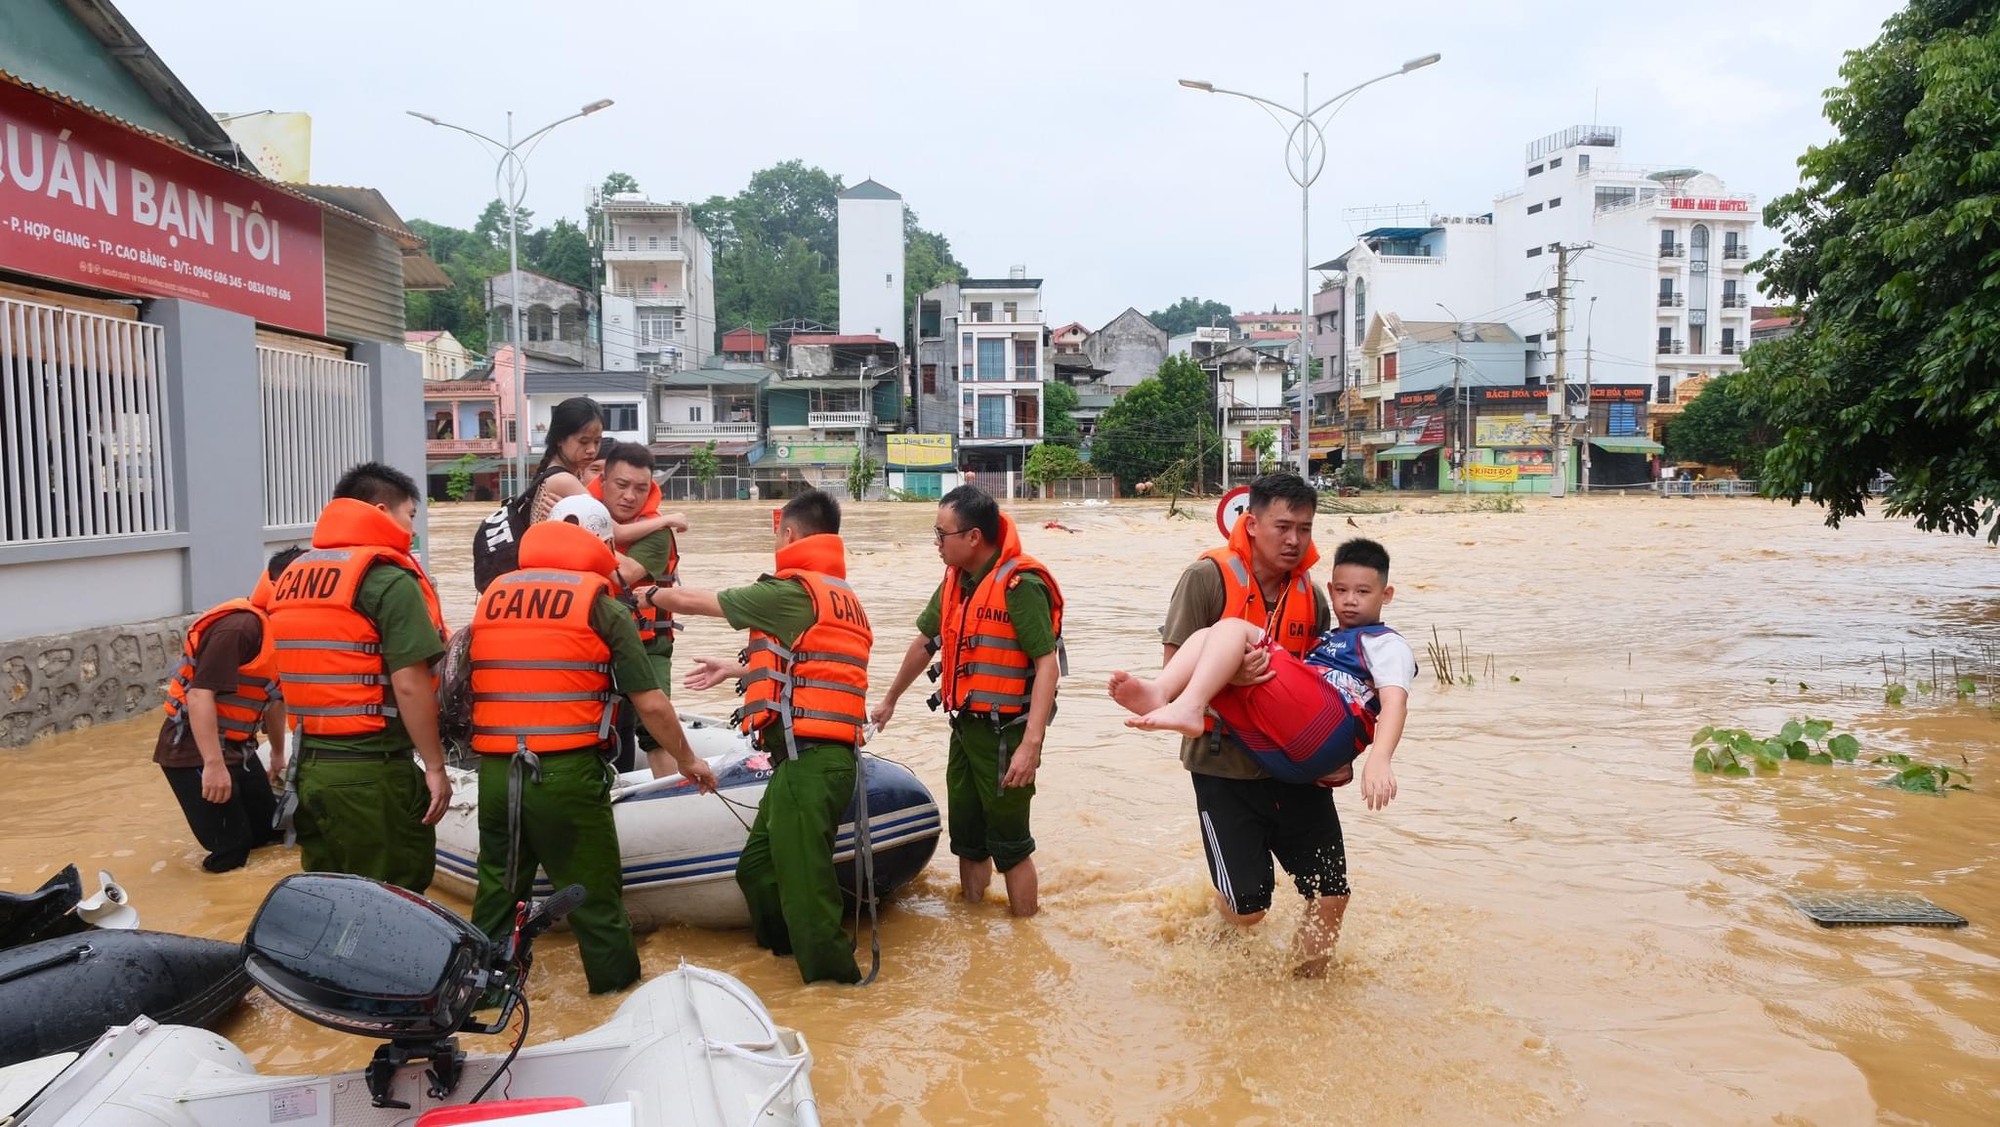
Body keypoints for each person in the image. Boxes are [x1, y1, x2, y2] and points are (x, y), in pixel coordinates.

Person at [467, 498, 717, 994]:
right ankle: (615, 1002)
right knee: (595, 903)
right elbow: (651, 705)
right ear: (603, 545)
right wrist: (689, 762)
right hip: (565, 777)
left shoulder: (493, 595)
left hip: (497, 775)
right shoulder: (601, 606)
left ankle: (479, 998)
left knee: (496, 896)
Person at [645, 488, 869, 985]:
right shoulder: (837, 595)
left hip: (810, 762)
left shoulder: (792, 591)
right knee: (758, 869)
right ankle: (785, 961)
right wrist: (734, 670)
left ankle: (837, 991)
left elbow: (693, 600)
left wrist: (644, 593)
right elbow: (805, 669)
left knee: (806, 892)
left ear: (789, 534)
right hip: (810, 761)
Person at [1156, 472, 1356, 975]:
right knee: (1250, 911)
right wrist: (1234, 679)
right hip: (1225, 767)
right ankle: (1219, 934)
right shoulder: (1206, 578)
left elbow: (1326, 685)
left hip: (1295, 768)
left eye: (1305, 529)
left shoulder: (1312, 598)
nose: (1294, 540)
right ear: (1251, 523)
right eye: (1283, 526)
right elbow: (1171, 677)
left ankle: (1306, 994)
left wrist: (1343, 756)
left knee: (1331, 893)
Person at [869, 485, 1063, 917]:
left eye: (942, 534)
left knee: (1011, 845)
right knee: (968, 840)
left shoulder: (1020, 585)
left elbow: (1046, 664)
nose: (937, 543)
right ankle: (974, 928)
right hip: (965, 728)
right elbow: (926, 642)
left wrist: (1030, 746)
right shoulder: (957, 582)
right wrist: (890, 700)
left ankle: (1024, 937)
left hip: (1006, 736)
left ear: (973, 537)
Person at [1111, 538, 1412, 813]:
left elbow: (1394, 704)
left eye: (1363, 592)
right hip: (1291, 758)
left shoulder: (1386, 644)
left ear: (1386, 595)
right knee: (1210, 639)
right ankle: (1161, 693)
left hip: (1329, 729)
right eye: (1343, 591)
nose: (1350, 600)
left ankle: (1184, 704)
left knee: (1231, 627)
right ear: (1331, 591)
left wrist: (1379, 759)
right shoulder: (1327, 639)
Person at [267, 461, 451, 891]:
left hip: (310, 767)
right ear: (383, 511)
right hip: (372, 772)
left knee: (330, 896)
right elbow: (409, 683)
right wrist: (436, 766)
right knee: (394, 897)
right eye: (410, 515)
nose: (411, 526)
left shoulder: (295, 575)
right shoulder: (386, 579)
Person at [153, 547, 304, 873]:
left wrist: (278, 753)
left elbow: (273, 700)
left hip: (239, 747)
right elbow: (199, 696)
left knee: (267, 832)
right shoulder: (240, 628)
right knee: (231, 851)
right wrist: (213, 766)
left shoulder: (281, 630)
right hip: (193, 750)